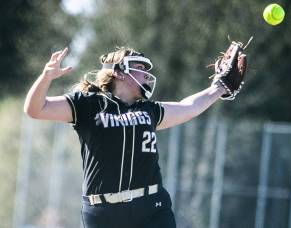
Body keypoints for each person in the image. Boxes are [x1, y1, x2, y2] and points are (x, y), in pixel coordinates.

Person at [24, 46, 226, 228]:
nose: (147, 74)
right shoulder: (87, 105)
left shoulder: (149, 110)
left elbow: (187, 107)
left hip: (151, 207)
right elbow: (35, 109)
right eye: (140, 67)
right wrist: (45, 77)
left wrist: (220, 87)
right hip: (103, 212)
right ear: (119, 73)